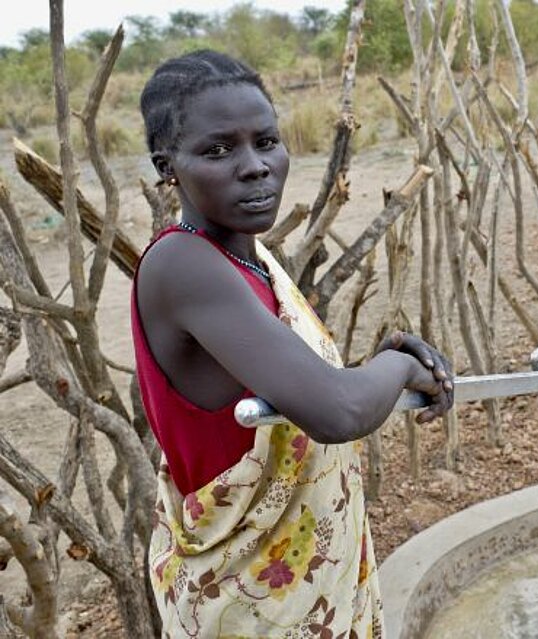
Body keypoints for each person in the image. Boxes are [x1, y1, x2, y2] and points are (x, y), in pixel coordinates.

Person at [132, 49, 453, 638]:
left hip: (294, 588)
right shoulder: (183, 264)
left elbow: (305, 394)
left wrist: (367, 370)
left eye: (267, 141)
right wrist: (395, 367)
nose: (255, 166)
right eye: (218, 149)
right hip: (251, 605)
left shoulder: (248, 260)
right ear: (167, 166)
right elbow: (338, 409)